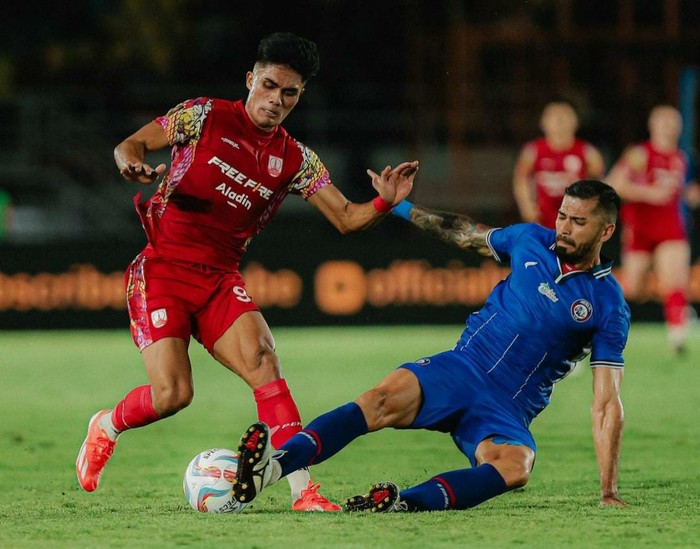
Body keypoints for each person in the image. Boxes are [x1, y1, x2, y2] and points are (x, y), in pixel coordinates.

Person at [75, 31, 419, 512]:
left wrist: (384, 201)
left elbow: (346, 217)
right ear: (250, 80)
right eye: (270, 86)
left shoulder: (296, 160)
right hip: (162, 270)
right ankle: (106, 426)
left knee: (265, 363)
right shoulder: (204, 115)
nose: (277, 100)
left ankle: (305, 493)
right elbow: (130, 144)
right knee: (173, 394)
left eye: (290, 93)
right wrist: (131, 162)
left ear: (299, 98)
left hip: (218, 280)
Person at [232, 179, 630, 512]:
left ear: (606, 231)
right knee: (378, 400)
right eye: (562, 215)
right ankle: (272, 468)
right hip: (460, 369)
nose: (563, 227)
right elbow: (464, 233)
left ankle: (400, 503)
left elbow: (606, 403)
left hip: (508, 407)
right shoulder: (529, 240)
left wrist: (608, 490)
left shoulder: (608, 304)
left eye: (578, 222)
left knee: (517, 466)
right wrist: (399, 206)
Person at [607, 105, 700, 354]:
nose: (669, 126)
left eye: (673, 122)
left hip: (670, 228)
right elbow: (614, 184)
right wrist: (648, 193)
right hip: (640, 228)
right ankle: (597, 326)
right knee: (633, 286)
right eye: (664, 121)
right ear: (653, 125)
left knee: (676, 280)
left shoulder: (682, 158)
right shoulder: (639, 155)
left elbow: (682, 190)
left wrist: (691, 194)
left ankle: (678, 339)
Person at [513, 100, 606, 228]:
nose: (559, 121)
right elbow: (521, 180)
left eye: (565, 116)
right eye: (554, 116)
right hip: (542, 220)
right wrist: (526, 205)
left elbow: (599, 183)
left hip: (575, 221)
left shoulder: (588, 152)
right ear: (543, 122)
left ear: (576, 121)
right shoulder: (532, 151)